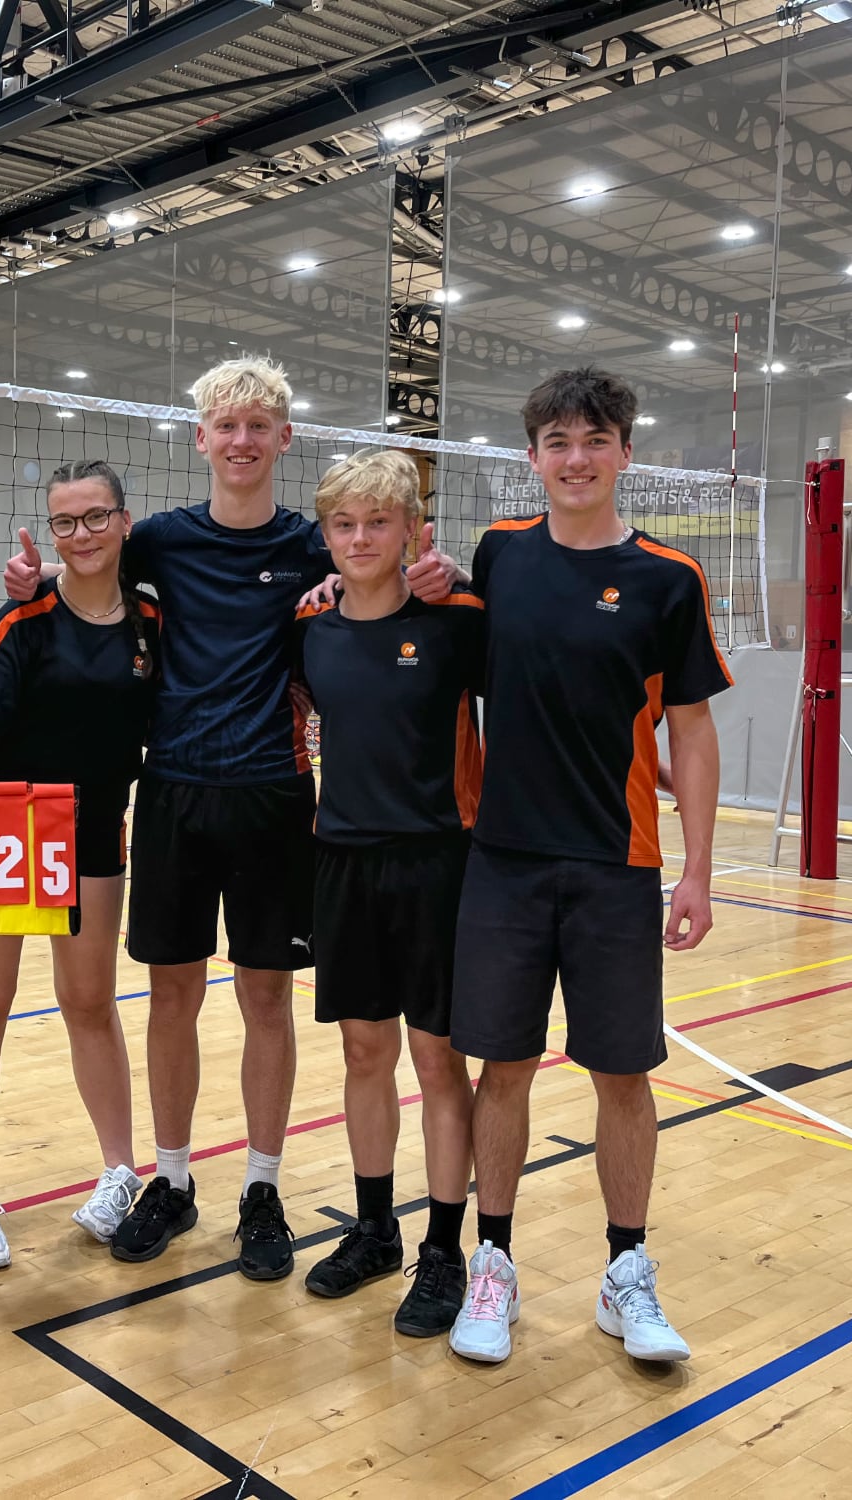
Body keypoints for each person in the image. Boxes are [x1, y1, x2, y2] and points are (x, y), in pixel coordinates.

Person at [410, 367, 728, 1366]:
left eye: (593, 440)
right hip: (500, 861)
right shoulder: (498, 555)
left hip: (617, 863)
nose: (575, 457)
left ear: (623, 453)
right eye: (555, 440)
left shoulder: (667, 579)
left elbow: (692, 729)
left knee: (621, 1075)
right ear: (532, 456)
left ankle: (624, 1271)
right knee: (500, 1067)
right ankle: (492, 1264)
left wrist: (698, 871)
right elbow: (431, 631)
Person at [3, 357, 324, 1281]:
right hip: (173, 793)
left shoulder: (311, 545)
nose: (242, 439)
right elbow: (85, 572)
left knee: (267, 998)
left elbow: (379, 574)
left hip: (272, 791)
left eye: (259, 425)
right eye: (226, 424)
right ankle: (174, 1182)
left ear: (283, 439)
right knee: (173, 995)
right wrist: (30, 584)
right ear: (201, 439)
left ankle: (262, 1188)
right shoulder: (161, 543)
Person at [0, 460, 160, 1265]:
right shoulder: (24, 617)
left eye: (96, 517)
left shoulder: (150, 622)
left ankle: (118, 1172)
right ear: (49, 533)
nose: (82, 535)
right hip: (11, 827)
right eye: (65, 523)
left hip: (96, 829)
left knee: (90, 1002)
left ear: (125, 522)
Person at [290, 450, 486, 1338]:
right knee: (364, 1055)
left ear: (414, 531)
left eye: (378, 523)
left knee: (438, 1060)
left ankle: (445, 1248)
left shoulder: (456, 621)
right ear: (326, 534)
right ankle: (375, 1231)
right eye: (344, 524)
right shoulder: (312, 625)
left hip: (438, 865)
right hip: (343, 863)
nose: (360, 539)